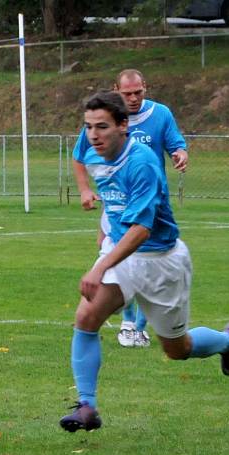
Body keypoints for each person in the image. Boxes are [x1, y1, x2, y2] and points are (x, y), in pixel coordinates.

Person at [60, 91, 229, 433]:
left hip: (161, 260)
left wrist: (99, 266)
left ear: (123, 126)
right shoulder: (90, 148)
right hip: (121, 252)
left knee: (177, 349)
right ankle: (87, 406)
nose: (93, 135)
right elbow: (86, 166)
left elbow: (142, 229)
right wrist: (95, 206)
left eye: (102, 127)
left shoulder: (141, 161)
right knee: (86, 316)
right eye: (88, 127)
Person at [72, 69, 188, 349]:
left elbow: (177, 143)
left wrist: (180, 153)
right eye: (128, 93)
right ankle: (127, 323)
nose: (134, 98)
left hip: (150, 211)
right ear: (117, 91)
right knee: (87, 314)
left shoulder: (158, 118)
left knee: (177, 349)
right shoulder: (98, 124)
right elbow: (79, 156)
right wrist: (86, 190)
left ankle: (140, 324)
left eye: (138, 92)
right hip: (115, 207)